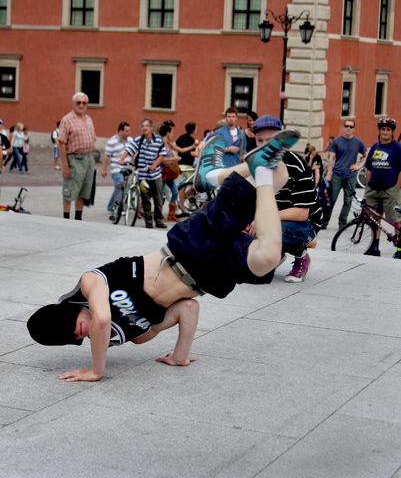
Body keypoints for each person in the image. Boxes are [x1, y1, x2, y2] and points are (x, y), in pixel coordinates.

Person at [27, 128, 299, 382]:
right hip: (210, 277)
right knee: (268, 259)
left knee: (282, 174)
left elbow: (101, 319)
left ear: (69, 310)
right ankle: (232, 173)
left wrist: (96, 370)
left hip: (188, 248)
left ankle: (212, 176)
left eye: (69, 325)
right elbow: (187, 308)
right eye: (70, 338)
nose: (77, 333)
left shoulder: (90, 283)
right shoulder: (132, 336)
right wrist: (180, 355)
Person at [245, 115, 323, 283]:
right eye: (260, 140)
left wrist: (262, 220)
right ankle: (273, 253)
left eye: (271, 139)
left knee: (279, 229)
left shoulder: (296, 165)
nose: (265, 145)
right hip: (271, 218)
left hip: (303, 224)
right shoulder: (254, 164)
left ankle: (302, 256)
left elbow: (302, 213)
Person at [119, 118, 167, 229]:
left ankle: (159, 220)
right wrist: (122, 159)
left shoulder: (158, 140)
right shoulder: (139, 140)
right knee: (145, 199)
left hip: (155, 175)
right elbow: (129, 149)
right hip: (143, 175)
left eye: (146, 126)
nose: (144, 128)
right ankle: (148, 221)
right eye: (142, 126)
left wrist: (155, 165)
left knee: (158, 199)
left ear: (151, 128)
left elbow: (162, 154)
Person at [363, 117, 401, 258]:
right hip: (373, 189)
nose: (385, 132)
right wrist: (368, 184)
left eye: (388, 130)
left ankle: (399, 249)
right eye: (383, 129)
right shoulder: (375, 147)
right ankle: (374, 247)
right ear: (379, 131)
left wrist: (397, 186)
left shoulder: (397, 148)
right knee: (374, 219)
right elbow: (369, 167)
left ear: (392, 132)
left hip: (390, 189)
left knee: (396, 219)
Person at [58, 92, 97, 221]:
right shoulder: (67, 120)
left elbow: (92, 140)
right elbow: (62, 143)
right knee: (70, 191)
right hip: (74, 159)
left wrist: (91, 158)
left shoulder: (89, 119)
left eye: (84, 103)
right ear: (73, 104)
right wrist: (65, 165)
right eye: (78, 102)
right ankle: (66, 218)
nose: (81, 105)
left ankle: (78, 218)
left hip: (88, 159)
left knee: (83, 190)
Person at [325, 120, 367, 229]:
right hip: (337, 174)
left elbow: (367, 155)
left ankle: (342, 222)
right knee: (331, 199)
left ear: (353, 129)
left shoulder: (358, 142)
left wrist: (359, 166)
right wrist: (329, 174)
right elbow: (331, 159)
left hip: (351, 176)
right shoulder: (337, 141)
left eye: (350, 126)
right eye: (346, 126)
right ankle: (324, 221)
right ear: (343, 127)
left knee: (348, 200)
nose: (348, 128)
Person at [101, 122, 133, 217]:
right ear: (120, 131)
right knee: (121, 184)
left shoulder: (130, 140)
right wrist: (103, 169)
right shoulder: (112, 141)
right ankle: (118, 207)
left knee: (121, 188)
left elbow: (134, 153)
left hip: (127, 168)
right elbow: (107, 156)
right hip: (116, 169)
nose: (129, 133)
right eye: (127, 131)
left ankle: (111, 205)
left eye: (129, 130)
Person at [159, 124, 182, 222]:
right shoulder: (160, 143)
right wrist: (174, 158)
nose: (173, 135)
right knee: (160, 194)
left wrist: (192, 146)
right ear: (167, 133)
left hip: (169, 172)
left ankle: (171, 214)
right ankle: (158, 214)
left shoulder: (169, 143)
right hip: (162, 171)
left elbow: (180, 150)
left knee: (175, 192)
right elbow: (161, 159)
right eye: (172, 133)